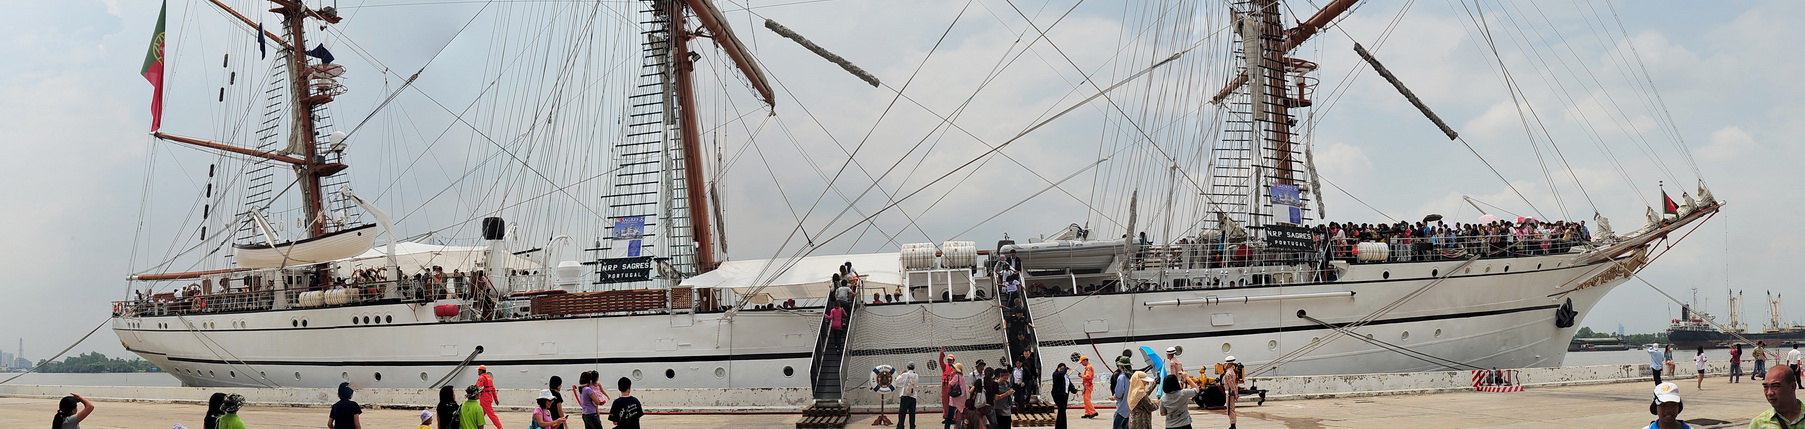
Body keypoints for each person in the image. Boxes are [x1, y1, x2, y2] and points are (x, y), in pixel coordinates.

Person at [1050, 362, 1075, 429]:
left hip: (1064, 395)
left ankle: (1059, 427)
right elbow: (1061, 374)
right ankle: (1063, 427)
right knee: (1062, 410)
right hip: (1058, 395)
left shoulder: (1066, 376)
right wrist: (1066, 368)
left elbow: (1069, 385)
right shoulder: (1056, 374)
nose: (1062, 370)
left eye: (1063, 369)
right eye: (1061, 369)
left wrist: (1075, 391)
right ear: (1058, 368)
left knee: (1061, 411)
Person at [897, 361, 920, 429]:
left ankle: (901, 426)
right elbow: (916, 384)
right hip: (913, 396)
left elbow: (897, 380)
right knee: (912, 414)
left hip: (904, 396)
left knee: (902, 413)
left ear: (907, 367)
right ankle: (912, 427)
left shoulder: (905, 375)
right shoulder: (916, 375)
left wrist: (900, 374)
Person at [1222, 356, 1242, 429]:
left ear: (1229, 364)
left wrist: (1235, 393)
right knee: (1231, 409)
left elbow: (1231, 385)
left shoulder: (1228, 373)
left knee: (1230, 409)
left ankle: (1233, 425)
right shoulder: (1232, 372)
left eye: (1226, 363)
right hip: (1231, 392)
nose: (1224, 365)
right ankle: (1233, 424)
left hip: (1230, 393)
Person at [1111, 363, 1132, 429]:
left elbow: (1119, 394)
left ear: (1121, 366)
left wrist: (1114, 397)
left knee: (1117, 426)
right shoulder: (1130, 376)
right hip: (1128, 407)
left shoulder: (1121, 377)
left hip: (1121, 407)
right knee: (1125, 426)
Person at [945, 362, 966, 429]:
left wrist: (951, 376)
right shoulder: (962, 376)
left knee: (949, 416)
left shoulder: (956, 376)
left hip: (955, 399)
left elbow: (950, 385)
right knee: (961, 416)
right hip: (962, 399)